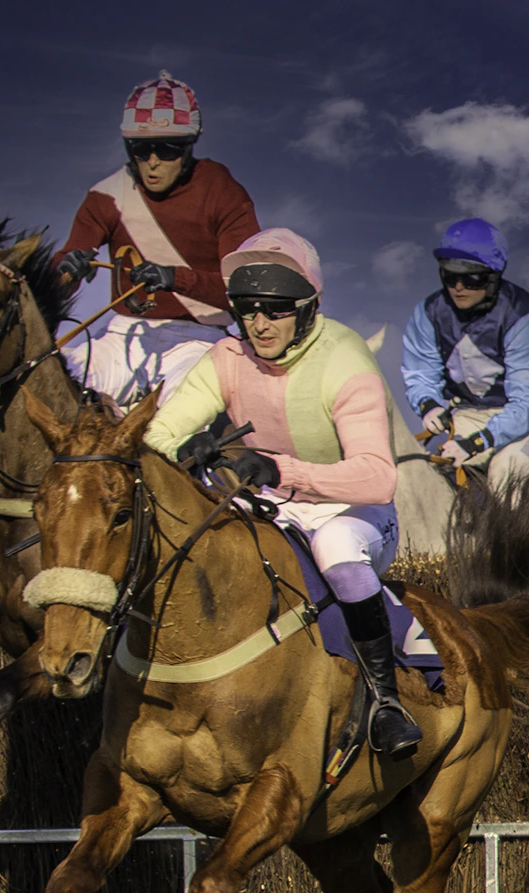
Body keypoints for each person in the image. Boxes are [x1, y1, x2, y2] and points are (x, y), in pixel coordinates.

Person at [143, 229, 423, 759]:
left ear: (309, 309)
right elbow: (156, 438)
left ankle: (387, 703)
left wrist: (280, 469)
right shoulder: (227, 356)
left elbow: (377, 477)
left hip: (353, 510)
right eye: (247, 309)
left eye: (275, 310)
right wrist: (186, 450)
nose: (259, 324)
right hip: (273, 497)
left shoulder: (346, 359)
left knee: (336, 553)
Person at [52, 71, 261, 407]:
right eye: (141, 149)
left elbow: (246, 288)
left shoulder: (224, 192)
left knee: (182, 417)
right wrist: (64, 269)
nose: (152, 163)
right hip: (123, 335)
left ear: (190, 146)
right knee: (57, 391)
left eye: (167, 150)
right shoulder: (105, 196)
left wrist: (174, 278)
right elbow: (62, 265)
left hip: (198, 339)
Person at [399, 218, 529, 495]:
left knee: (504, 473)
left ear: (493, 275)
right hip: (466, 413)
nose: (458, 286)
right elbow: (420, 372)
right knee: (418, 473)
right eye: (449, 276)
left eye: (472, 277)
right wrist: (428, 406)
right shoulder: (426, 313)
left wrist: (477, 443)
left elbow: (528, 403)